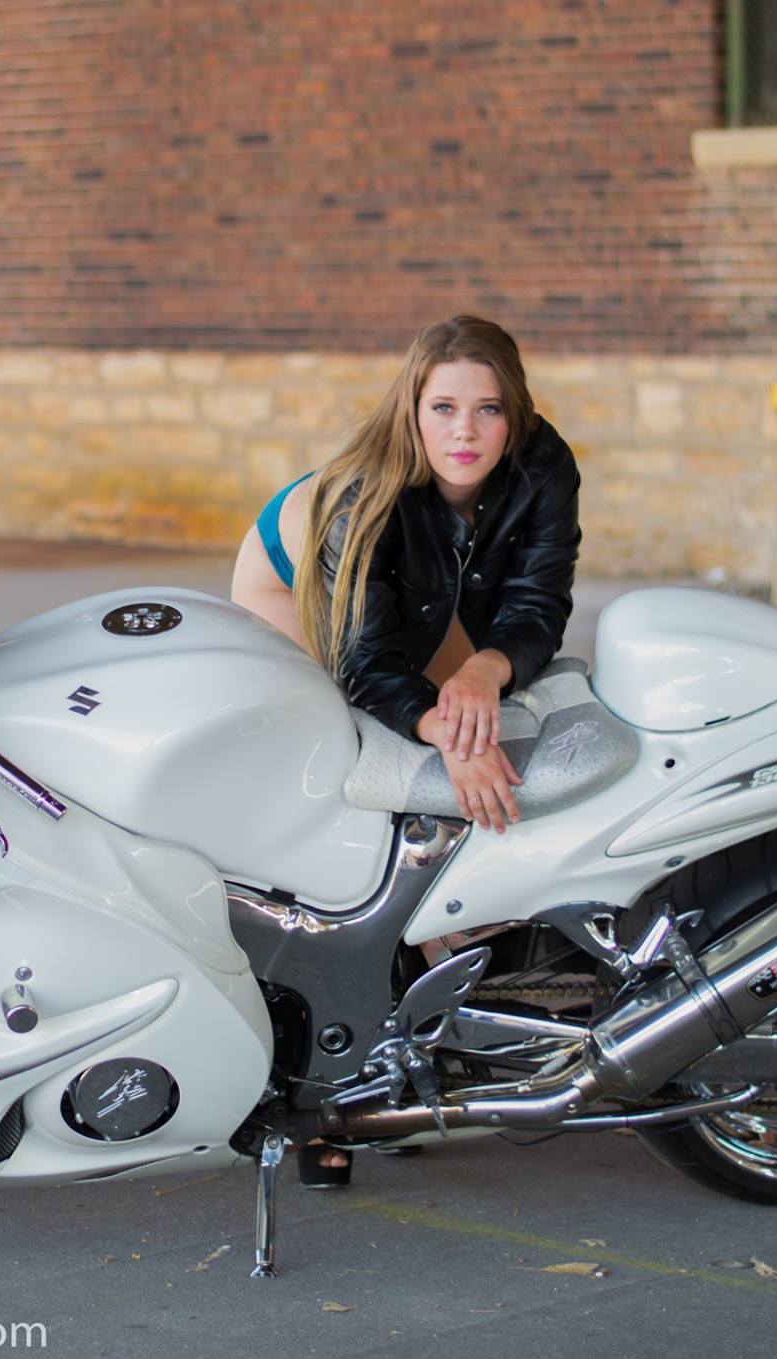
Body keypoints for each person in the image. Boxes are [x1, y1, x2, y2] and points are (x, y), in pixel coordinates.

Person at [229, 314, 583, 1186]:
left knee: (483, 744)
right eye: (444, 408)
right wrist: (442, 729)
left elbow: (537, 606)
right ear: (412, 410)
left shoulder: (544, 465)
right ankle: (324, 1089)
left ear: (516, 413)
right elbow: (364, 661)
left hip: (428, 593)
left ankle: (437, 979)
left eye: (488, 409)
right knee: (347, 787)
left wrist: (485, 674)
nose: (466, 431)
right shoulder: (365, 495)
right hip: (298, 579)